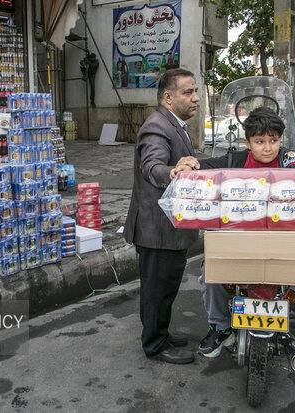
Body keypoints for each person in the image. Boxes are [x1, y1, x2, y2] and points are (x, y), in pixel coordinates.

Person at [171, 107, 295, 382]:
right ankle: (220, 328)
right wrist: (188, 165)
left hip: (288, 242)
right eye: (260, 142)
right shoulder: (235, 161)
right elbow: (206, 166)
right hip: (240, 241)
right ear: (248, 142)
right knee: (210, 272)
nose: (268, 148)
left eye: (273, 140)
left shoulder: (292, 160)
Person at [123, 68, 200, 364]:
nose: (195, 98)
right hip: (156, 229)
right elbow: (152, 164)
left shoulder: (175, 124)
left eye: (195, 91)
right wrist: (171, 171)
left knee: (165, 288)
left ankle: (161, 332)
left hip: (169, 228)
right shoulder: (157, 126)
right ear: (168, 97)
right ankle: (155, 345)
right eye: (187, 92)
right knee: (156, 291)